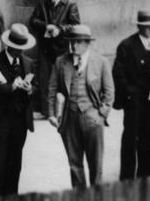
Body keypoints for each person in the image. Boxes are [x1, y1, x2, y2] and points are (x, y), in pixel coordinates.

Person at [48, 25, 114, 187]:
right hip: (69, 119)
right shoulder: (61, 62)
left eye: (78, 42)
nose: (74, 46)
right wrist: (51, 113)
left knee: (95, 163)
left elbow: (109, 91)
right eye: (72, 42)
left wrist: (102, 114)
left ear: (87, 43)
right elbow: (52, 89)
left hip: (93, 118)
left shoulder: (101, 62)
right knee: (74, 163)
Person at [0, 24, 37, 198]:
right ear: (9, 45)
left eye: (22, 48)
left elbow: (38, 89)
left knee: (15, 164)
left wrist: (30, 89)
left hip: (20, 120)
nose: (19, 52)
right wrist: (11, 87)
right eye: (16, 48)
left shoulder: (28, 63)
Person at [113, 10, 150, 180]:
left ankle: (145, 176)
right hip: (134, 100)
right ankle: (127, 178)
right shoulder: (127, 45)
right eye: (148, 26)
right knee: (130, 139)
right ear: (139, 26)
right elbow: (118, 73)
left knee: (149, 139)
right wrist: (130, 94)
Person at [29, 0, 81, 117]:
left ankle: (64, 110)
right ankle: (47, 112)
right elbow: (33, 20)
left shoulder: (70, 3)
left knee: (63, 78)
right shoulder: (43, 1)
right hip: (45, 46)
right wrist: (46, 26)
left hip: (62, 46)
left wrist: (60, 29)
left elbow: (76, 25)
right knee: (45, 79)